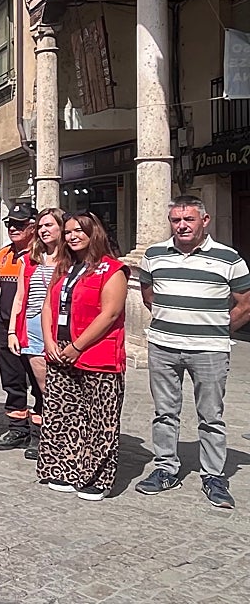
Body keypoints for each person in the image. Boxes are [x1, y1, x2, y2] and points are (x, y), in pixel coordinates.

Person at [136, 195, 250, 509]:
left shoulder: (229, 258)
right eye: (176, 220)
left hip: (209, 350)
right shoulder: (154, 254)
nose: (182, 226)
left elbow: (245, 304)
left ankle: (213, 475)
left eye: (189, 219)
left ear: (205, 220)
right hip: (163, 346)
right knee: (164, 412)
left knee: (211, 416)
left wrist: (216, 330)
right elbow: (148, 296)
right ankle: (166, 469)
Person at [36, 212, 129, 501]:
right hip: (60, 350)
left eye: (79, 231)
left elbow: (110, 314)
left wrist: (77, 346)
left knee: (100, 418)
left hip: (97, 352)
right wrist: (49, 340)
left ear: (94, 233)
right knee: (64, 413)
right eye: (68, 232)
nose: (73, 236)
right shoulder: (64, 268)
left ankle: (97, 477)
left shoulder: (112, 269)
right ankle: (64, 468)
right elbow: (48, 306)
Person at [2, 207, 63, 459]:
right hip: (34, 329)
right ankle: (51, 437)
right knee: (46, 387)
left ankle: (65, 435)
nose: (44, 230)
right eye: (40, 226)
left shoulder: (72, 260)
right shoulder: (29, 260)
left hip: (62, 329)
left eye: (49, 225)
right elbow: (19, 297)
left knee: (65, 385)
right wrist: (12, 332)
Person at [0, 203, 38, 451]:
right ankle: (18, 428)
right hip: (6, 327)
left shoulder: (43, 255)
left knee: (39, 381)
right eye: (10, 223)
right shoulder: (2, 255)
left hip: (34, 328)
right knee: (12, 380)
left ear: (33, 226)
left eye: (19, 224)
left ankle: (40, 434)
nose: (12, 228)